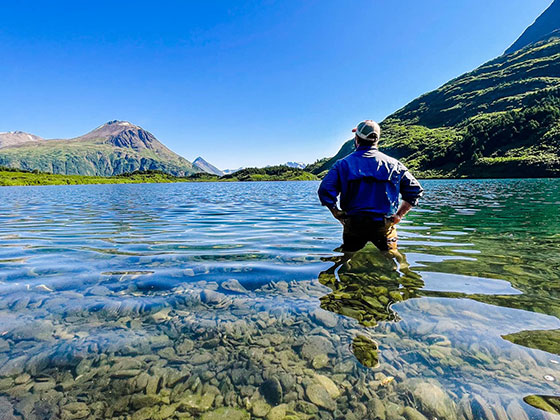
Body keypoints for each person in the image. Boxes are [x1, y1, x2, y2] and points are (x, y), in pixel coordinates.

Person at [318, 120, 423, 252]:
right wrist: (399, 215)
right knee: (391, 258)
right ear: (377, 140)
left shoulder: (342, 164)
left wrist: (336, 212)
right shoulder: (394, 164)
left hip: (354, 223)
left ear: (356, 139)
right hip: (384, 223)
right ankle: (403, 269)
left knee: (348, 256)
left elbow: (325, 190)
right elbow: (414, 189)